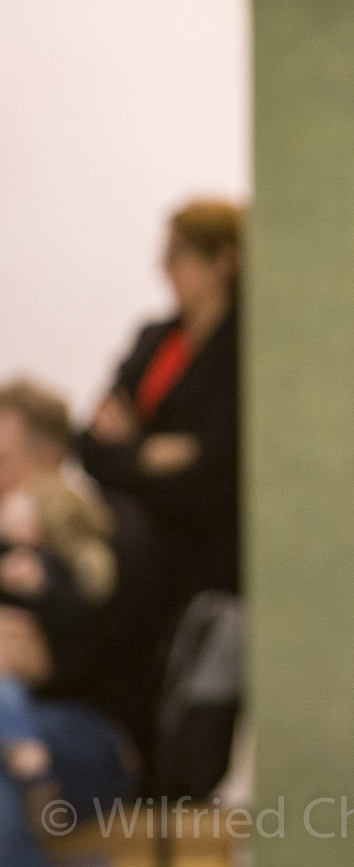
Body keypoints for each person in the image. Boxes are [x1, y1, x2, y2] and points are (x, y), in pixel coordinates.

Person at [78, 198, 243, 768]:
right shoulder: (155, 339)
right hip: (136, 534)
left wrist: (130, 448)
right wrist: (150, 456)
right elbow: (91, 444)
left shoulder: (246, 346)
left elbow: (218, 464)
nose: (164, 268)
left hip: (203, 547)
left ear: (223, 260)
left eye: (178, 255)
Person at [0, 380, 135, 867]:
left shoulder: (107, 531)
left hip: (89, 732)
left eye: (3, 460)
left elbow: (122, 648)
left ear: (51, 457)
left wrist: (47, 660)